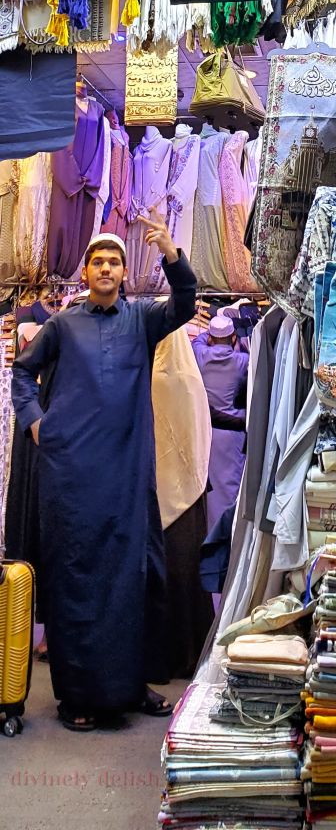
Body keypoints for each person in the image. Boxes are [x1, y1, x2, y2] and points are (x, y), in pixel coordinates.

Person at [11, 208, 196, 732]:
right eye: (99, 262)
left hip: (128, 474)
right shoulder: (62, 325)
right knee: (77, 577)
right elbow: (22, 374)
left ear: (124, 271)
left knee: (133, 577)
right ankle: (77, 696)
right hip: (71, 476)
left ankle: (131, 686)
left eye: (115, 261)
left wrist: (171, 254)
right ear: (86, 271)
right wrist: (36, 424)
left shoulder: (143, 319)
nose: (107, 268)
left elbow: (185, 303)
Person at [192, 315, 249, 531]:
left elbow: (197, 340)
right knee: (231, 488)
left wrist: (209, 334)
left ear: (210, 338)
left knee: (210, 490)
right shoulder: (242, 361)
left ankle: (210, 536)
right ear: (233, 337)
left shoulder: (200, 354)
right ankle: (229, 536)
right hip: (233, 435)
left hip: (207, 433)